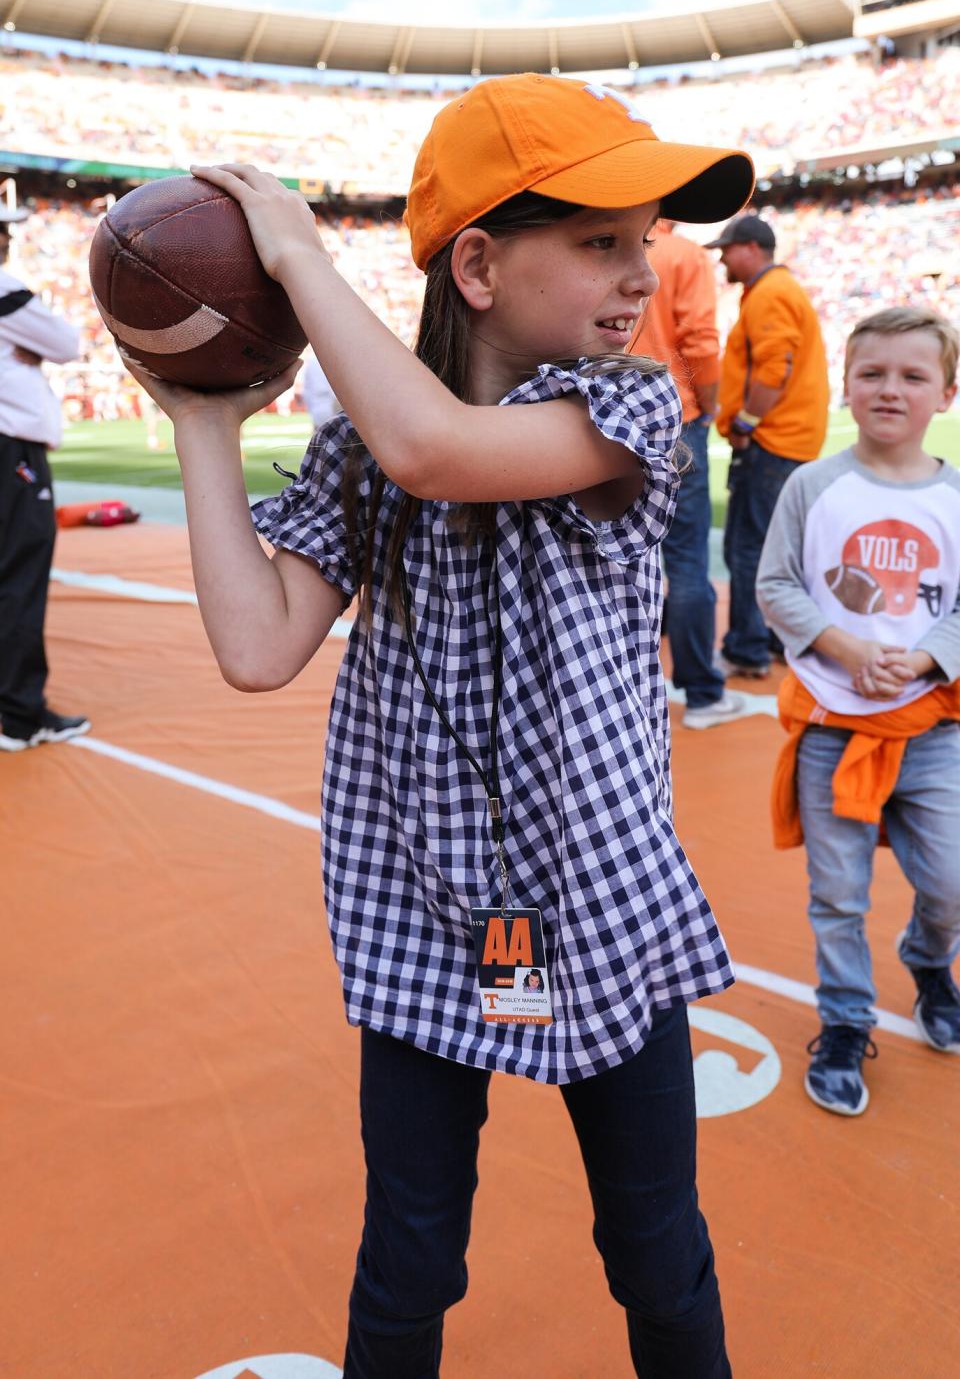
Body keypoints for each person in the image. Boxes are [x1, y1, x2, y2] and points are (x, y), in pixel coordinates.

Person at [122, 74, 755, 1377]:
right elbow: (256, 644)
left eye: (646, 242)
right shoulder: (368, 447)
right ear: (478, 261)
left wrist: (295, 253)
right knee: (410, 1250)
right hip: (434, 911)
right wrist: (200, 422)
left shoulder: (631, 407)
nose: (642, 276)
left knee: (656, 1247)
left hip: (593, 907)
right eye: (601, 242)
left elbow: (440, 449)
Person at [757, 306, 960, 1116]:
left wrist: (919, 657)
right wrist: (844, 647)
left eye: (913, 375)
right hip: (832, 723)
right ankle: (844, 1018)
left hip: (930, 726)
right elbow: (776, 585)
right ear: (846, 384)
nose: (890, 389)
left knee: (949, 880)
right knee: (837, 891)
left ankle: (927, 958)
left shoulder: (955, 496)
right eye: (872, 373)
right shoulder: (814, 485)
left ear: (947, 392)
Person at [628, 219, 745, 729]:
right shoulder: (683, 254)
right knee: (687, 559)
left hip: (608, 415)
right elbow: (699, 339)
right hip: (674, 414)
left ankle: (624, 687)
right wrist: (709, 403)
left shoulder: (609, 243)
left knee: (622, 557)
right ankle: (701, 692)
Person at [707, 213, 828, 680]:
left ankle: (748, 647)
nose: (722, 259)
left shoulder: (770, 293)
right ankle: (778, 639)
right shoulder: (776, 290)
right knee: (781, 547)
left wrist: (745, 422)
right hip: (789, 440)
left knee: (748, 548)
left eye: (727, 249)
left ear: (751, 248)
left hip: (772, 442)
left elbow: (775, 366)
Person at [0, 204, 87, 753]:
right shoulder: (4, 289)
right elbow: (66, 343)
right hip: (12, 450)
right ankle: (19, 716)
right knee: (19, 576)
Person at [301, 351, 340, 431]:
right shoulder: (335, 358)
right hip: (331, 405)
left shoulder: (312, 361)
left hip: (318, 406)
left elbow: (306, 390)